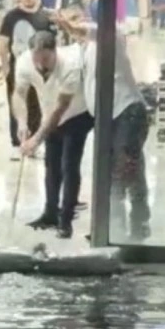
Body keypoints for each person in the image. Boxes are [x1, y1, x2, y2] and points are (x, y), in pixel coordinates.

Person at [13, 31, 92, 239]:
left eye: (46, 59)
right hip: (50, 113)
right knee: (51, 165)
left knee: (69, 165)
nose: (41, 65)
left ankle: (65, 220)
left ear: (54, 51)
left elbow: (61, 107)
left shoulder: (71, 65)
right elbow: (19, 94)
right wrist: (21, 123)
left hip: (76, 114)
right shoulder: (24, 61)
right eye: (36, 59)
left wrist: (36, 139)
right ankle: (50, 214)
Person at [79, 24, 151, 241]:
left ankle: (139, 226)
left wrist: (69, 24)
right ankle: (113, 227)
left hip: (127, 110)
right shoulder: (86, 51)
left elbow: (92, 31)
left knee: (129, 167)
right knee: (110, 174)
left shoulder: (113, 37)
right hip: (106, 116)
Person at [0, 0, 57, 161]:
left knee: (38, 105)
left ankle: (33, 145)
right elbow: (2, 42)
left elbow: (53, 44)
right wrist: (6, 66)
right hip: (16, 69)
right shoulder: (11, 17)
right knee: (16, 105)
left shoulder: (45, 18)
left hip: (40, 70)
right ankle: (17, 144)